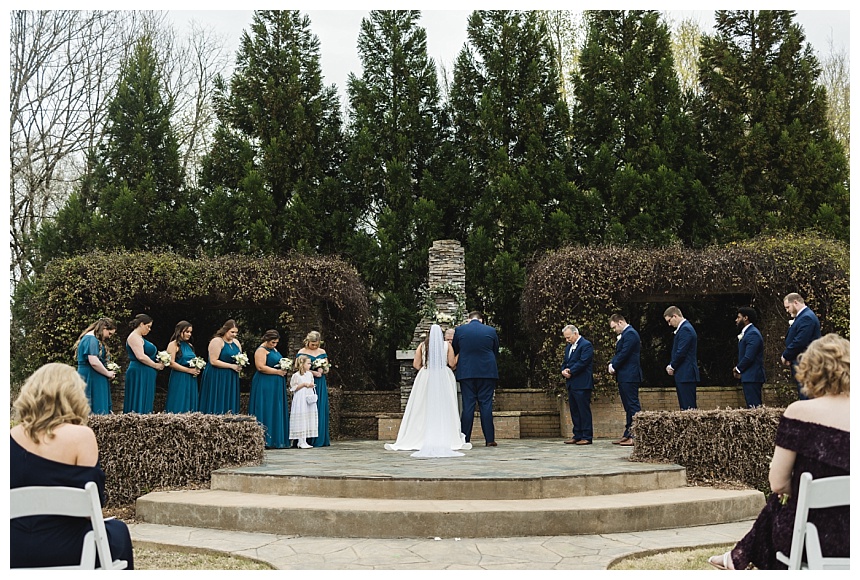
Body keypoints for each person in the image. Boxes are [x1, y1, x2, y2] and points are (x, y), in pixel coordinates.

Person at [708, 333, 849, 570]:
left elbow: (777, 482)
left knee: (777, 502)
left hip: (812, 536)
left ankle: (739, 555)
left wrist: (810, 491)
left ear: (810, 370)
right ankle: (737, 555)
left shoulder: (800, 413)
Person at [11, 363, 134, 569]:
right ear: (74, 396)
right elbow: (89, 510)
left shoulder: (9, 437)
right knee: (119, 530)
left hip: (11, 547)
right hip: (68, 548)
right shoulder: (81, 436)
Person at [385, 324, 471, 457]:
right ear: (442, 335)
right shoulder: (447, 346)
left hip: (425, 377)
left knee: (422, 406)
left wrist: (426, 371)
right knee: (445, 406)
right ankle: (447, 435)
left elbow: (416, 364)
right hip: (444, 376)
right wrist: (460, 354)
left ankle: (420, 434)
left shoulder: (422, 346)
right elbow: (452, 363)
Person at [452, 311, 499, 446]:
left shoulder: (460, 330)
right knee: (486, 405)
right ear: (482, 320)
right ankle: (489, 439)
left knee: (468, 406)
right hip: (487, 371)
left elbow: (456, 349)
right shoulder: (491, 330)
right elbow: (495, 350)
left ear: (469, 319)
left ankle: (465, 439)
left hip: (467, 371)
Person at [249, 329, 290, 449]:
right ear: (266, 340)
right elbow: (260, 367)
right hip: (265, 382)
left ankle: (276, 438)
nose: (274, 345)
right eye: (272, 342)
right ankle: (264, 439)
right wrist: (277, 371)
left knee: (275, 407)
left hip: (277, 382)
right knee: (265, 406)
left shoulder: (274, 349)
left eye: (276, 342)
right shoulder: (261, 350)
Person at [608, 314, 642, 446]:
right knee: (628, 406)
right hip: (624, 375)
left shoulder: (631, 334)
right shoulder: (627, 334)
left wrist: (613, 365)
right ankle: (628, 433)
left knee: (632, 405)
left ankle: (635, 435)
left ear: (620, 322)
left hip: (630, 375)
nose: (614, 330)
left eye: (614, 327)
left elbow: (624, 353)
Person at [781, 292, 821, 401]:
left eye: (788, 307)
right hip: (802, 362)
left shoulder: (806, 317)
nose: (787, 310)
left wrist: (786, 355)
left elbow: (800, 341)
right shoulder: (804, 316)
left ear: (795, 302)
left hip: (805, 363)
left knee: (806, 396)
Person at [74, 318, 117, 414]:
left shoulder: (91, 338)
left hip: (93, 375)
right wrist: (107, 373)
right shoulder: (91, 339)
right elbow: (93, 361)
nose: (109, 337)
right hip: (91, 377)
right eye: (109, 333)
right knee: (95, 405)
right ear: (104, 328)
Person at [200, 319, 243, 414]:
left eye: (236, 333)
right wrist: (231, 366)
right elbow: (213, 361)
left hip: (231, 376)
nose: (234, 335)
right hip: (217, 375)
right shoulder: (217, 341)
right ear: (225, 330)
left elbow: (240, 357)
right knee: (217, 398)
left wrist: (240, 364)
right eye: (232, 332)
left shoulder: (236, 342)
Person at [123, 314, 164, 414]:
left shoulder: (140, 337)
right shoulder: (134, 337)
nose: (149, 329)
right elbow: (140, 356)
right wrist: (156, 365)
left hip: (146, 372)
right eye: (148, 326)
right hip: (139, 371)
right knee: (138, 397)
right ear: (141, 324)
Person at [561, 325, 594, 445]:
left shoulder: (586, 345)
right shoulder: (568, 347)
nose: (567, 340)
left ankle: (587, 436)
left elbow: (583, 362)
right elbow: (565, 362)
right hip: (571, 384)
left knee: (583, 410)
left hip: (582, 383)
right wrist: (563, 370)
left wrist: (570, 371)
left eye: (568, 337)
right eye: (566, 338)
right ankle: (577, 434)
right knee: (574, 410)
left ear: (575, 334)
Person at [296, 331, 330, 447]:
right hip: (306, 381)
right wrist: (312, 372)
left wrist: (322, 370)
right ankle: (305, 439)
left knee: (320, 407)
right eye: (312, 344)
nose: (314, 346)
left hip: (319, 382)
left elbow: (327, 368)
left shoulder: (322, 352)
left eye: (316, 344)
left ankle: (319, 438)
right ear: (307, 341)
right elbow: (298, 367)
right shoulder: (302, 352)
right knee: (307, 408)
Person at [664, 306, 699, 410]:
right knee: (685, 407)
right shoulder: (685, 328)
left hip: (686, 373)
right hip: (684, 374)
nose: (669, 324)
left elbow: (681, 352)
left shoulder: (686, 329)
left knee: (688, 408)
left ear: (675, 316)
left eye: (669, 320)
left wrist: (672, 366)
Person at [164, 320, 201, 413]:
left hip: (191, 378)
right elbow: (171, 363)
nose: (189, 334)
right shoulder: (173, 344)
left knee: (190, 401)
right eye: (187, 332)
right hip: (179, 376)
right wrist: (188, 370)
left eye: (190, 332)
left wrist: (197, 367)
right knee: (178, 400)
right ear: (180, 331)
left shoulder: (190, 345)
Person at [733, 307, 765, 408]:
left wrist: (738, 368)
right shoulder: (748, 332)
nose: (736, 320)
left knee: (754, 407)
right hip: (749, 376)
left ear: (746, 318)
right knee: (751, 406)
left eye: (739, 317)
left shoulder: (753, 333)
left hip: (753, 376)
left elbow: (749, 356)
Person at [289, 355, 318, 449]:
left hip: (308, 395)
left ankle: (305, 440)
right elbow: (293, 388)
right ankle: (300, 441)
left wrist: (311, 385)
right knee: (301, 415)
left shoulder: (309, 374)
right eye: (308, 363)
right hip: (301, 396)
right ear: (302, 364)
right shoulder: (296, 375)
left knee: (308, 416)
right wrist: (304, 384)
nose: (310, 365)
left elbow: (311, 382)